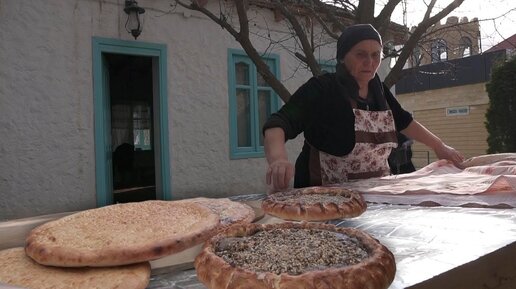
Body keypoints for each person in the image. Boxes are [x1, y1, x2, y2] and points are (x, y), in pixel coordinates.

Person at [262, 24, 464, 192]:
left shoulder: (381, 93)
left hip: (376, 196)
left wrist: (439, 146)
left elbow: (404, 122)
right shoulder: (322, 89)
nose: (370, 62)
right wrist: (278, 159)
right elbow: (279, 123)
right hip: (322, 199)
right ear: (342, 57)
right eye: (361, 54)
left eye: (376, 55)